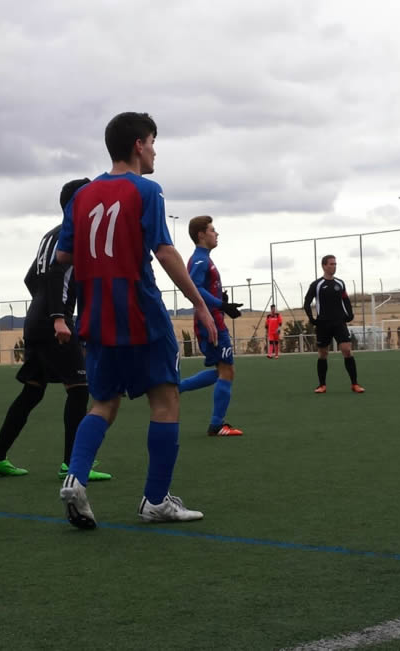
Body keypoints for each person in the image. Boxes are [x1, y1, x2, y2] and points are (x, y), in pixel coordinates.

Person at [56, 111, 217, 530]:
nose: (155, 150)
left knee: (103, 403)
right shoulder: (146, 190)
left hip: (95, 313)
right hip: (140, 309)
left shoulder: (82, 196)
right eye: (152, 142)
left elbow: (63, 257)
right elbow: (164, 252)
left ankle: (75, 478)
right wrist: (199, 304)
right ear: (138, 145)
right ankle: (156, 500)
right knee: (165, 400)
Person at [0, 178, 111, 482]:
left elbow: (31, 278)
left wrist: (42, 309)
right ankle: (72, 462)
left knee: (32, 391)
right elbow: (56, 275)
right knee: (79, 389)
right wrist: (58, 316)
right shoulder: (74, 234)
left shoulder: (49, 235)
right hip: (55, 321)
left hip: (35, 319)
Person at [177, 216, 244, 437]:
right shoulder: (199, 259)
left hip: (214, 318)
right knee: (227, 371)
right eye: (212, 230)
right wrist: (220, 303)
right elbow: (193, 289)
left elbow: (204, 288)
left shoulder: (205, 259)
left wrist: (220, 299)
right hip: (210, 322)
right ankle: (217, 425)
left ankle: (177, 388)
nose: (216, 234)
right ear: (201, 235)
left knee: (223, 371)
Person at [303, 255, 364, 394]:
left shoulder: (340, 283)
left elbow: (346, 300)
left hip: (339, 322)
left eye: (335, 264)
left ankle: (355, 384)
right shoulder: (316, 285)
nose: (334, 266)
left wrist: (350, 314)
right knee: (323, 354)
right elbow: (307, 302)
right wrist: (312, 319)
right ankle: (322, 385)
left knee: (347, 350)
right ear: (324, 266)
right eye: (331, 264)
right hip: (323, 324)